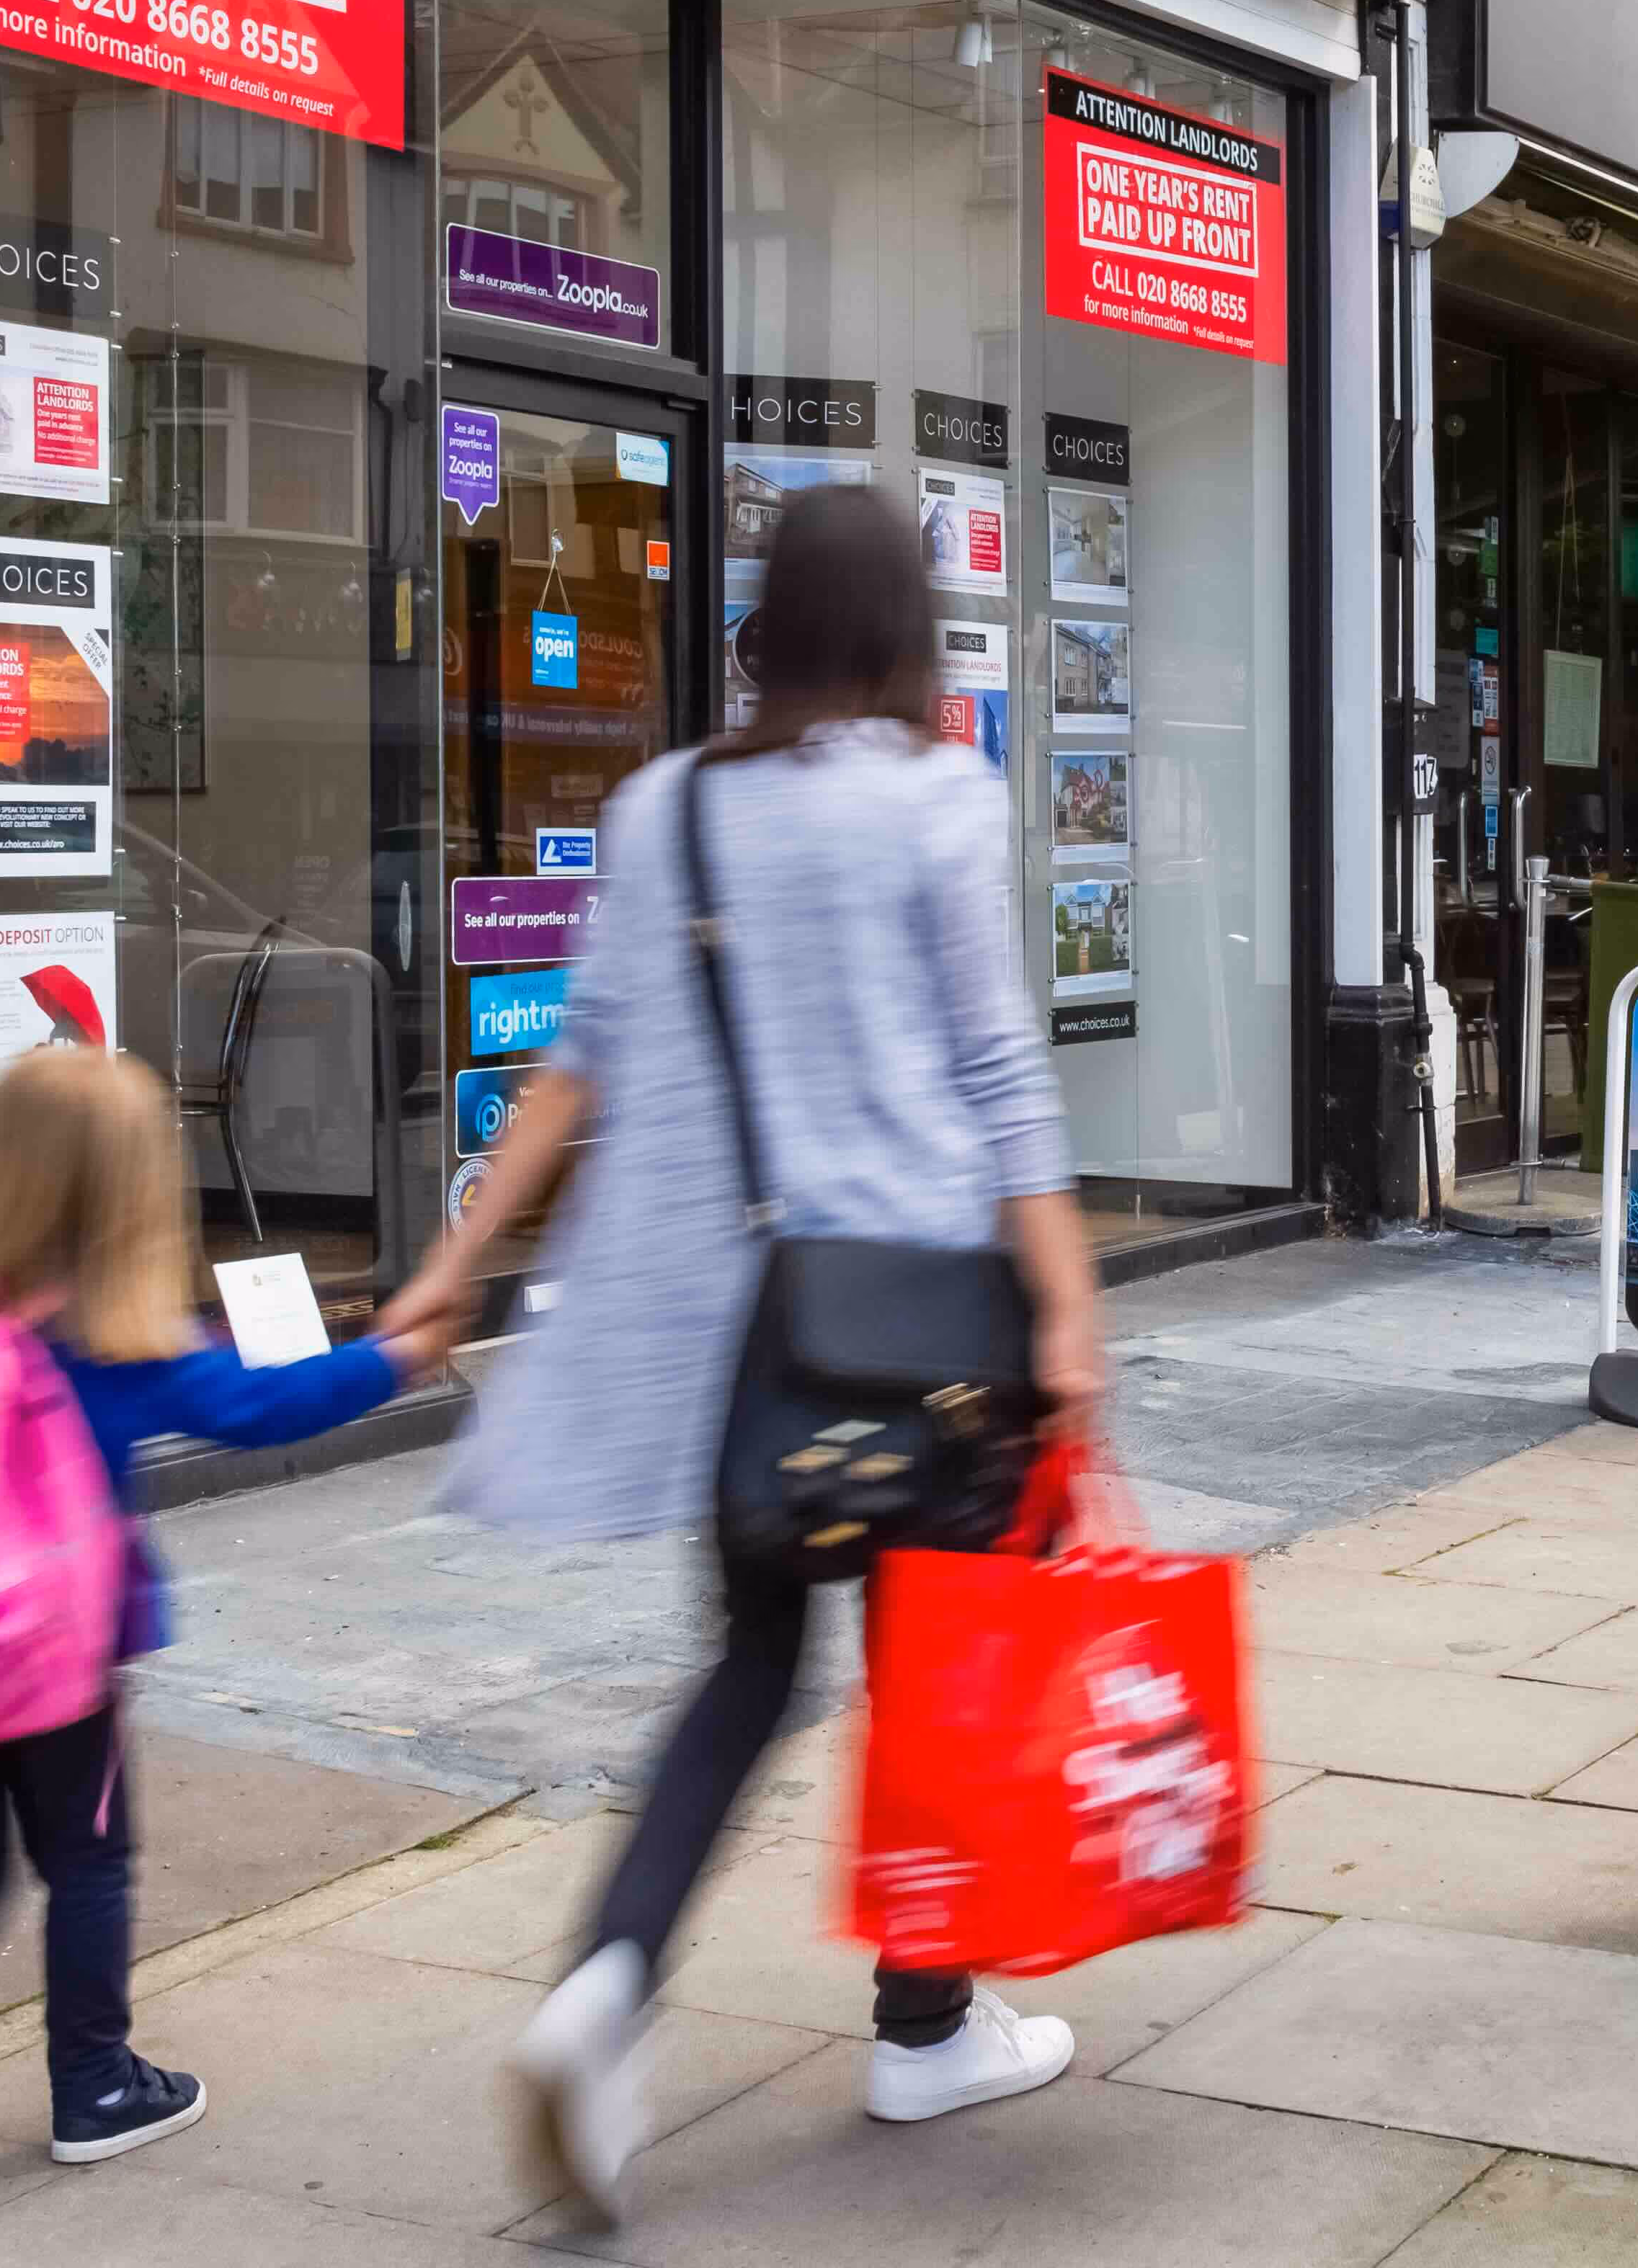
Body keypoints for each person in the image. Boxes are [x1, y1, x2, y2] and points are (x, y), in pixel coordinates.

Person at [392, 481, 1110, 2225]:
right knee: (934, 1681)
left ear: (765, 630)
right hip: (928, 1340)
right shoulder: (937, 803)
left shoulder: (668, 810)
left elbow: (578, 1064)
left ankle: (604, 1990)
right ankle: (923, 2028)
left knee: (749, 1667)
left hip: (756, 1353)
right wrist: (1070, 1309)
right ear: (904, 631)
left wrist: (452, 1265)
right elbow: (999, 1076)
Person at [0, 1047, 443, 2220]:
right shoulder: (111, 1336)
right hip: (61, 1660)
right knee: (87, 1859)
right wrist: (392, 1357)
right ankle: (95, 2085)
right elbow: (263, 1407)